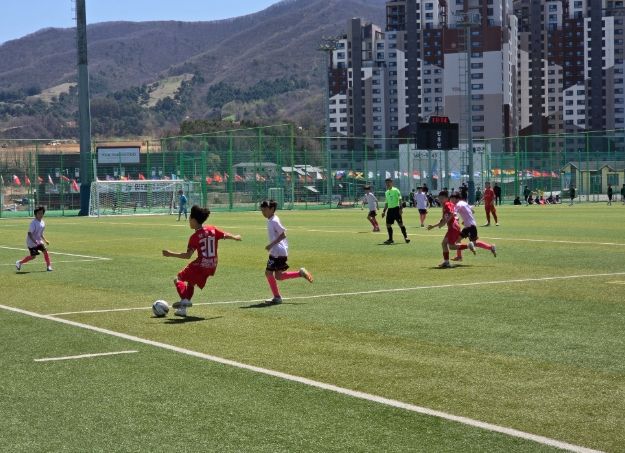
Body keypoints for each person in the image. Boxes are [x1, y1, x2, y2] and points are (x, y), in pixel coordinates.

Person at [162, 205, 241, 316]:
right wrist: (235, 237)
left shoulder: (194, 237)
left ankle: (184, 300)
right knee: (191, 282)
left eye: (190, 218)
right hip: (212, 265)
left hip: (201, 264)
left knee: (178, 278)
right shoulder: (212, 229)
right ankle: (183, 310)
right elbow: (224, 235)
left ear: (194, 220)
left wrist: (170, 254)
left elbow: (187, 255)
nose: (189, 221)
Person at [260, 199, 313, 305]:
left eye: (265, 209)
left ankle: (277, 297)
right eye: (262, 210)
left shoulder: (274, 221)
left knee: (268, 273)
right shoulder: (270, 219)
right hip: (278, 252)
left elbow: (283, 234)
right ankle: (300, 273)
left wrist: (271, 245)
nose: (263, 212)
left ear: (272, 209)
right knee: (278, 276)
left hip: (277, 252)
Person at [450, 192, 496, 262]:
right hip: (468, 225)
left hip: (470, 226)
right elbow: (472, 211)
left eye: (452, 199)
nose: (451, 201)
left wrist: (454, 221)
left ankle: (490, 247)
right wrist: (466, 219)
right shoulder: (464, 203)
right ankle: (459, 257)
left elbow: (455, 215)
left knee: (474, 243)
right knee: (458, 240)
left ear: (456, 199)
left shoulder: (458, 205)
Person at [427, 190, 462, 268]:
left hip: (453, 227)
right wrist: (433, 226)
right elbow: (443, 221)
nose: (440, 200)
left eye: (442, 198)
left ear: (447, 198)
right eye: (439, 198)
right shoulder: (446, 205)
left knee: (451, 246)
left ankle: (468, 246)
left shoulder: (447, 204)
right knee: (444, 244)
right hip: (453, 227)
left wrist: (445, 222)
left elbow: (451, 214)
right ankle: (446, 262)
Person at [16, 206, 52, 272]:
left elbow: (40, 234)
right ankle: (20, 262)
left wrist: (45, 240)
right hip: (31, 242)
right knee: (33, 257)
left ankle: (48, 266)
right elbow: (29, 233)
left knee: (45, 251)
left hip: (39, 241)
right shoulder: (33, 223)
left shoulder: (43, 223)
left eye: (42, 213)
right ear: (35, 214)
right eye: (39, 213)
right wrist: (34, 241)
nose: (41, 215)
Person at [381, 178, 410, 244]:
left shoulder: (396, 190)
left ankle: (406, 237)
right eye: (386, 183)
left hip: (396, 209)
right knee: (388, 225)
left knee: (400, 224)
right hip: (390, 210)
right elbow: (386, 203)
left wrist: (400, 209)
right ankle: (390, 239)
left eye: (389, 182)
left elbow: (400, 200)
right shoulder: (386, 192)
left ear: (392, 183)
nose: (387, 184)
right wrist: (384, 211)